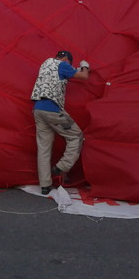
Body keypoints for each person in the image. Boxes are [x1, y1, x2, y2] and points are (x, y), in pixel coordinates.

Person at [30, 50, 90, 195]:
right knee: (76, 136)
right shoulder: (62, 64)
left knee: (44, 148)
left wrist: (72, 70)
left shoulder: (46, 64)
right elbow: (83, 76)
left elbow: (61, 76)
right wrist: (85, 66)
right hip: (52, 110)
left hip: (38, 109)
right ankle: (61, 167)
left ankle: (45, 185)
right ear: (66, 59)